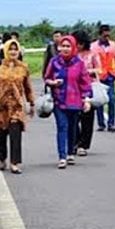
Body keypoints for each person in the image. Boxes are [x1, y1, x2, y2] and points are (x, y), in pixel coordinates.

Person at [0, 39, 35, 174]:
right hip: (1, 106)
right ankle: (2, 159)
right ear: (5, 50)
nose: (13, 52)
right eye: (10, 49)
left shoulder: (23, 67)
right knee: (1, 134)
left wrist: (32, 103)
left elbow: (28, 87)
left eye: (15, 49)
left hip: (17, 106)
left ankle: (14, 163)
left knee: (15, 133)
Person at [44, 36, 92, 168]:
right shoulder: (54, 62)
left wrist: (86, 99)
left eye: (68, 46)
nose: (65, 49)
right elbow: (46, 78)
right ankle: (62, 156)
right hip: (59, 101)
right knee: (62, 127)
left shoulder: (79, 63)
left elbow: (85, 82)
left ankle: (70, 152)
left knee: (72, 128)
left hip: (75, 102)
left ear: (73, 47)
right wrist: (53, 83)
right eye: (63, 46)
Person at [72, 30, 102, 156]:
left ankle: (83, 145)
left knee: (87, 118)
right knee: (73, 117)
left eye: (80, 43)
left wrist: (86, 71)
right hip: (73, 89)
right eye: (76, 43)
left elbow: (99, 69)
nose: (78, 46)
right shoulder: (71, 54)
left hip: (88, 88)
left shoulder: (92, 54)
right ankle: (75, 141)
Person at [90, 24, 115, 132]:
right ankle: (101, 123)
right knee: (99, 101)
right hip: (98, 76)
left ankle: (111, 123)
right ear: (100, 35)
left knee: (111, 100)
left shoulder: (113, 45)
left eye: (108, 36)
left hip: (110, 75)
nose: (107, 38)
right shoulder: (93, 46)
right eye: (105, 36)